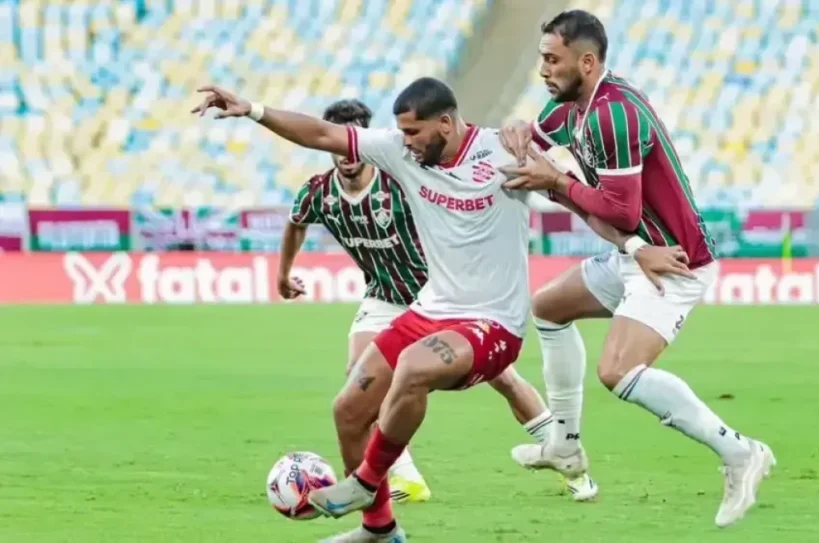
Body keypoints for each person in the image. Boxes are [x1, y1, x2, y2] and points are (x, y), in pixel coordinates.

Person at [193, 78, 637, 542]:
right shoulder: (399, 152)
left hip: (493, 323)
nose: (404, 141)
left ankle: (366, 481)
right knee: (348, 408)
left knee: (416, 367)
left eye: (413, 132)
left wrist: (636, 247)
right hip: (429, 310)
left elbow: (581, 202)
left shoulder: (505, 153)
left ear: (444, 123)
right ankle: (379, 530)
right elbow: (321, 134)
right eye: (401, 132)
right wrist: (253, 109)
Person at [497, 9, 776, 528]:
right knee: (549, 308)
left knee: (617, 371)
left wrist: (556, 182)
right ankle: (564, 446)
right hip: (637, 253)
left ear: (586, 62)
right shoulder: (567, 110)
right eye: (542, 58)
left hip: (673, 261)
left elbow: (620, 211)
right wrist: (515, 131)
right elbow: (532, 149)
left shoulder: (614, 115)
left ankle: (740, 452)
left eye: (553, 60)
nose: (543, 69)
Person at [276, 98, 598, 505]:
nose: (346, 156)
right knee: (360, 379)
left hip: (441, 293)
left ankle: (569, 461)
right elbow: (295, 224)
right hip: (384, 296)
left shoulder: (398, 176)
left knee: (506, 381)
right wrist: (283, 273)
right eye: (338, 148)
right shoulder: (318, 192)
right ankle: (405, 479)